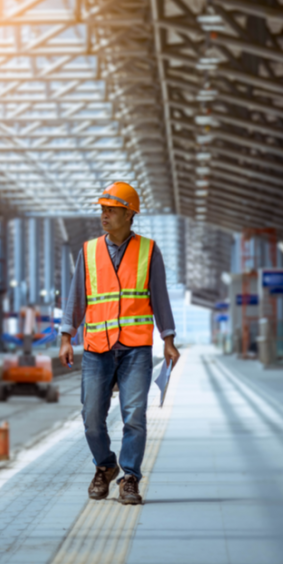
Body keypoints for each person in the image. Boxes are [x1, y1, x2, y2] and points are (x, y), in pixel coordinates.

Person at [58, 181, 180, 505]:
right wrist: (66, 336)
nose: (104, 215)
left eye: (111, 210)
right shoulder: (88, 251)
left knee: (134, 416)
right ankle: (106, 465)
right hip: (97, 347)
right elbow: (76, 298)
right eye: (102, 209)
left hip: (135, 348)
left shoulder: (149, 251)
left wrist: (168, 338)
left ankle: (129, 477)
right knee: (91, 417)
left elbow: (161, 298)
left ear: (129, 214)